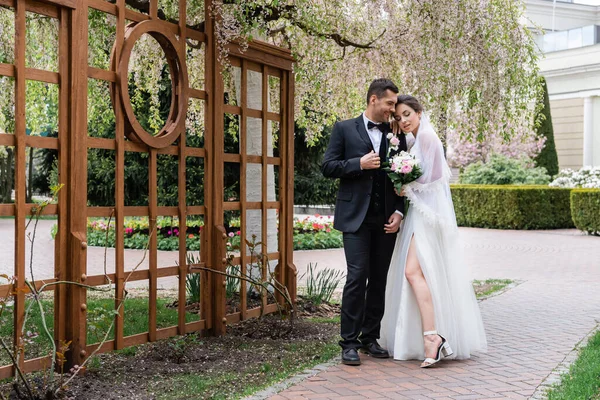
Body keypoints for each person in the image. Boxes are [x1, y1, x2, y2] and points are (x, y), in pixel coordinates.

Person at [380, 95, 487, 367]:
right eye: (398, 117)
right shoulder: (415, 141)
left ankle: (433, 338)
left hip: (427, 217)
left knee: (412, 272)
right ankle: (428, 337)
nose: (402, 121)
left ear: (418, 112)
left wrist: (407, 186)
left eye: (407, 114)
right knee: (418, 274)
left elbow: (436, 179)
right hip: (419, 214)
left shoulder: (427, 137)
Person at [321, 78, 407, 366]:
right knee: (358, 277)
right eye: (390, 104)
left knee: (379, 279)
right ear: (374, 100)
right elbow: (328, 166)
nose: (393, 110)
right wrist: (357, 164)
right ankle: (349, 343)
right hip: (355, 218)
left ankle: (371, 337)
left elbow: (403, 177)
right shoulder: (344, 128)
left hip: (385, 220)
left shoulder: (396, 134)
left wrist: (399, 211)